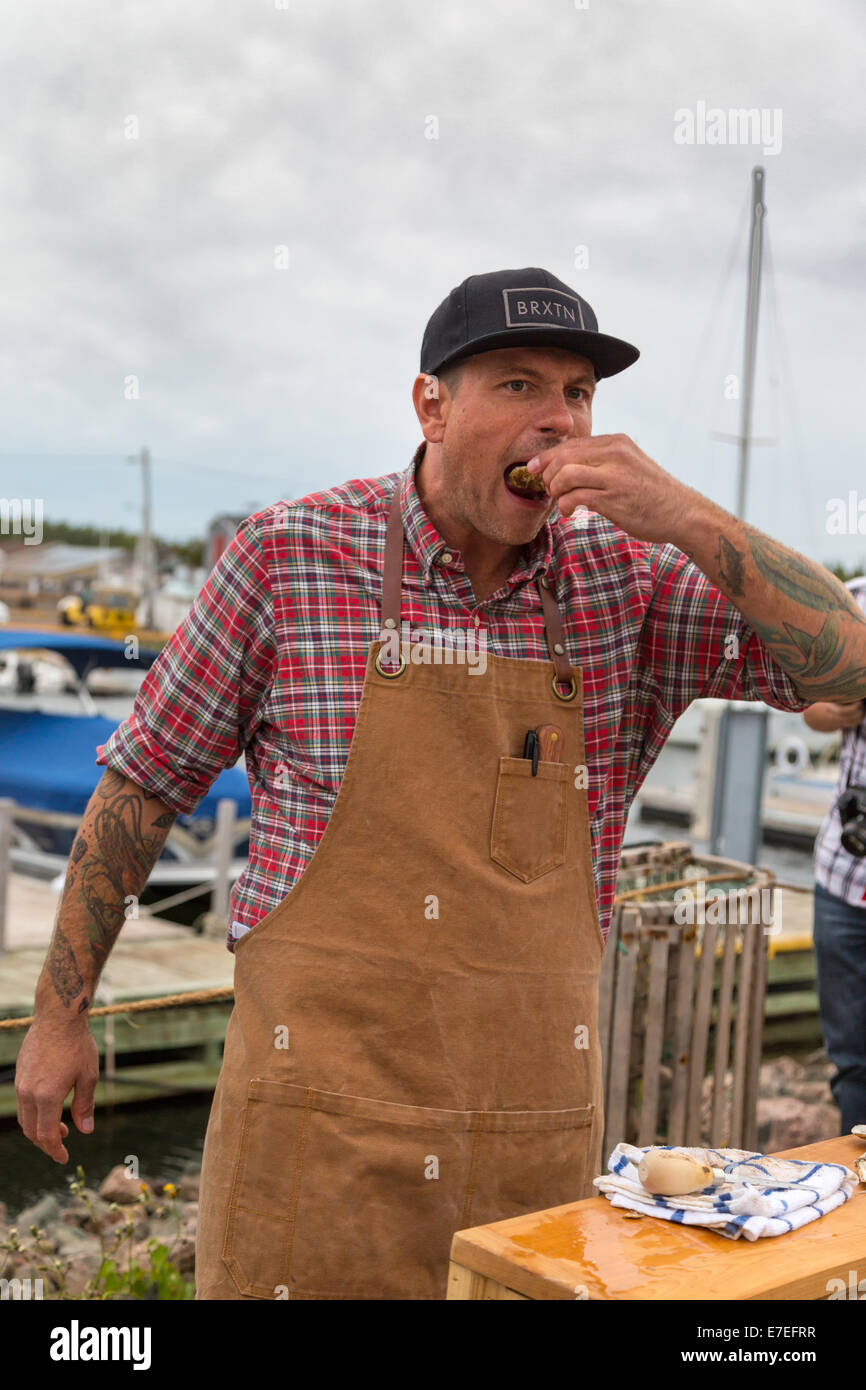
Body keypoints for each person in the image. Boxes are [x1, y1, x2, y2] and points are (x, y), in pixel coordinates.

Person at [15, 267, 866, 1300]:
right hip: (310, 1142)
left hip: (530, 1149)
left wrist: (685, 516)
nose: (556, 421)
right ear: (430, 403)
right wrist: (61, 1019)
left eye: (578, 394)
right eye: (517, 385)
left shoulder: (629, 585)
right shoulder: (288, 556)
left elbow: (847, 671)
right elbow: (143, 789)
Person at [802, 575, 866, 1136]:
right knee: (851, 1060)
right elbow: (810, 707)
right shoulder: (850, 602)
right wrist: (844, 709)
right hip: (844, 874)